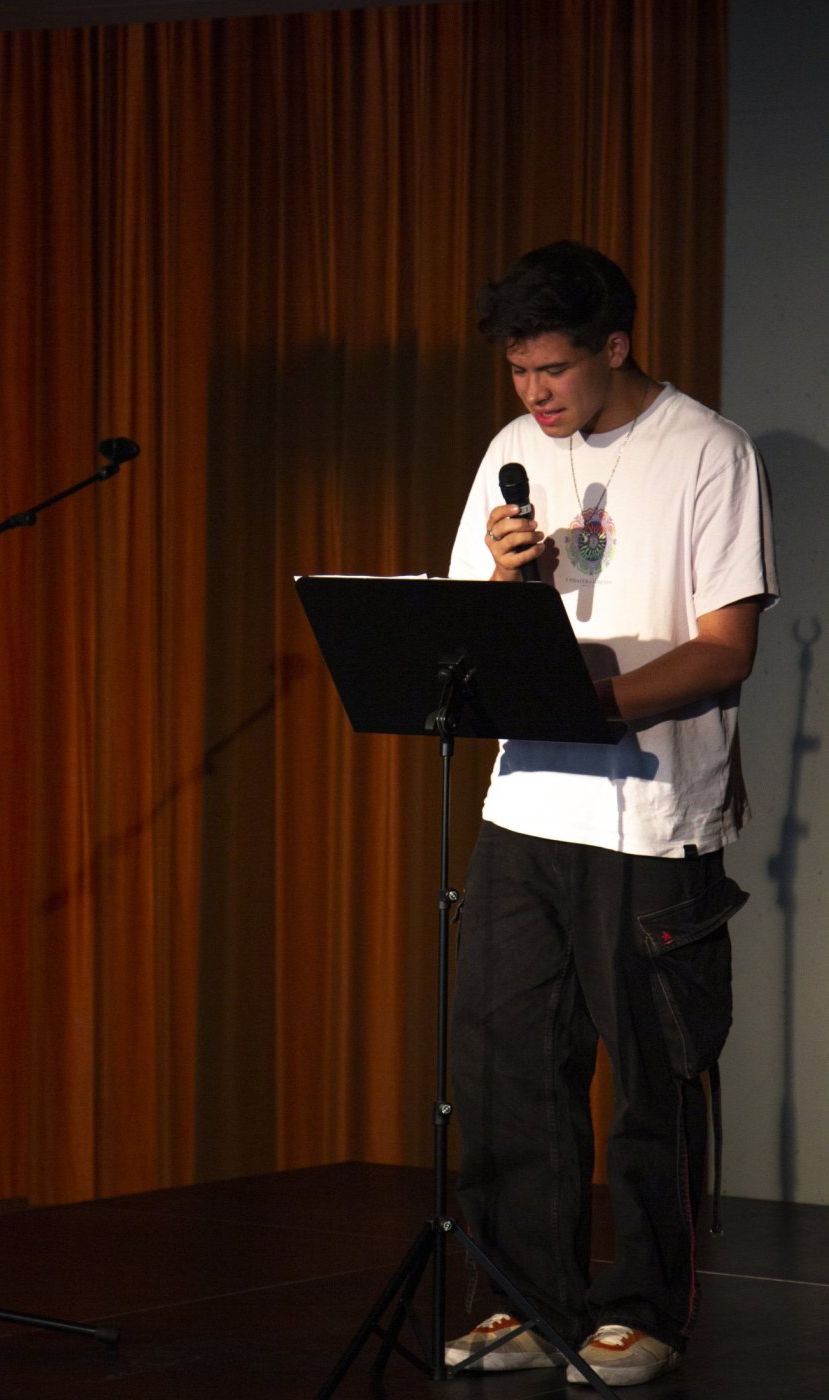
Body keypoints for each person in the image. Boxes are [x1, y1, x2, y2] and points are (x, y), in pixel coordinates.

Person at [444, 241, 778, 1387]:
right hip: (525, 803)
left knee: (650, 1069)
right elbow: (473, 630)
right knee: (507, 1062)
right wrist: (506, 582)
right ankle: (526, 1295)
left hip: (649, 813)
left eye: (553, 370)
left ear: (614, 346)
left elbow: (725, 647)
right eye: (518, 371)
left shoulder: (706, 451)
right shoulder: (512, 448)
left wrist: (593, 703)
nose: (533, 394)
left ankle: (643, 1308)